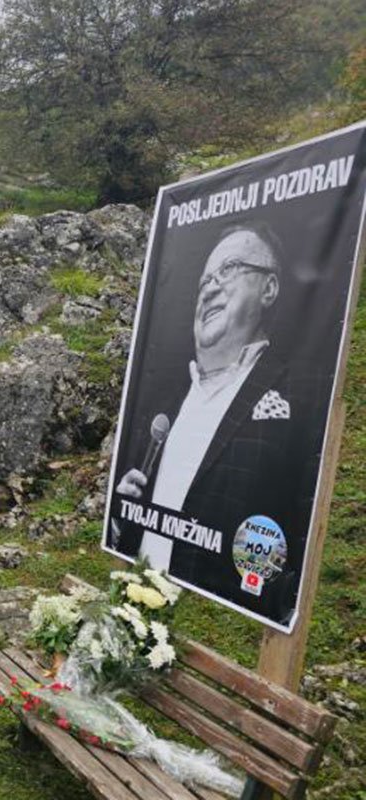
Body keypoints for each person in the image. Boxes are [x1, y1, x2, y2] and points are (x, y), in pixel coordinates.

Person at [109, 223, 320, 623]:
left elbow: (300, 525)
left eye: (229, 269)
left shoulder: (301, 393)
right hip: (138, 599)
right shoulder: (164, 400)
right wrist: (122, 515)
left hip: (216, 620)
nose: (209, 288)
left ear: (269, 288)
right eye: (205, 280)